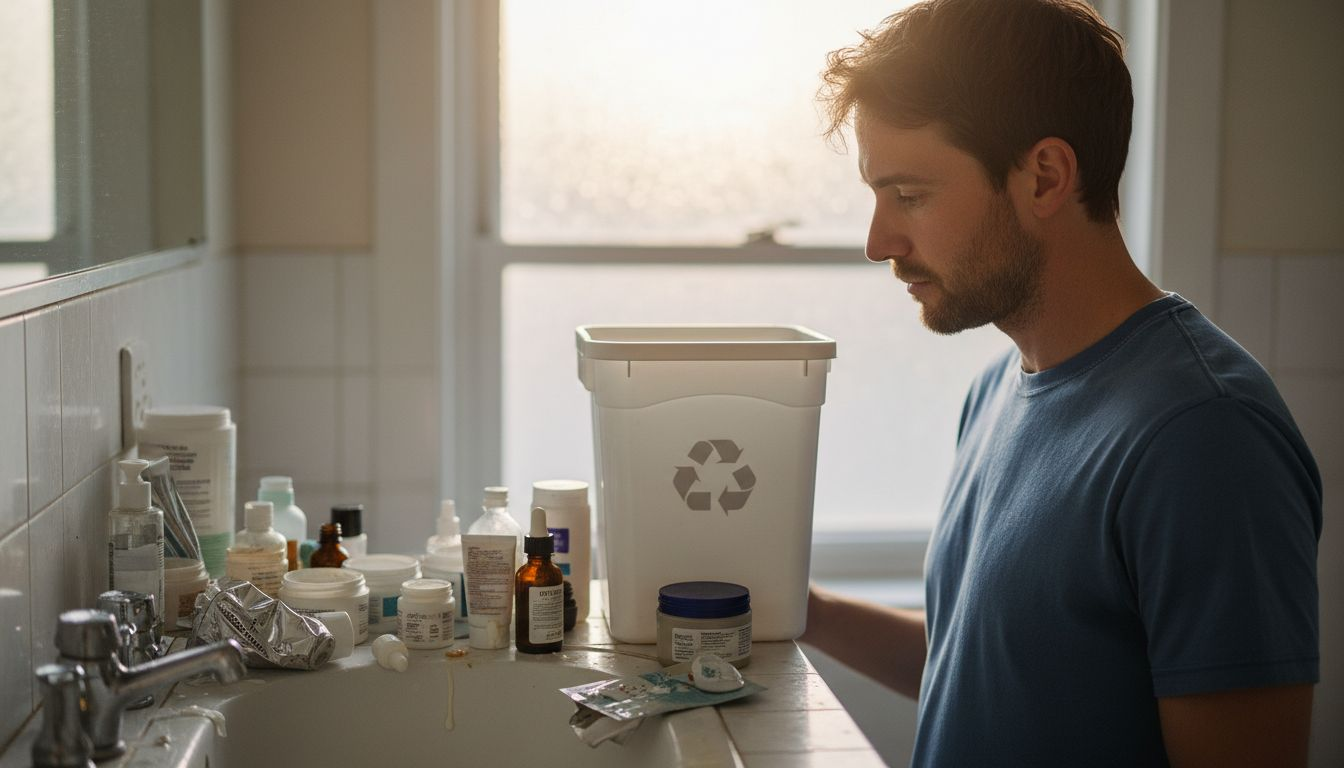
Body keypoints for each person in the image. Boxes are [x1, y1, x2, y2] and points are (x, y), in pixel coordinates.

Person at [799, 1, 1323, 766]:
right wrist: (803, 610)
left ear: (1045, 176)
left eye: (909, 195)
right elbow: (988, 671)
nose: (880, 242)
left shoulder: (1204, 435)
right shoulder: (997, 392)